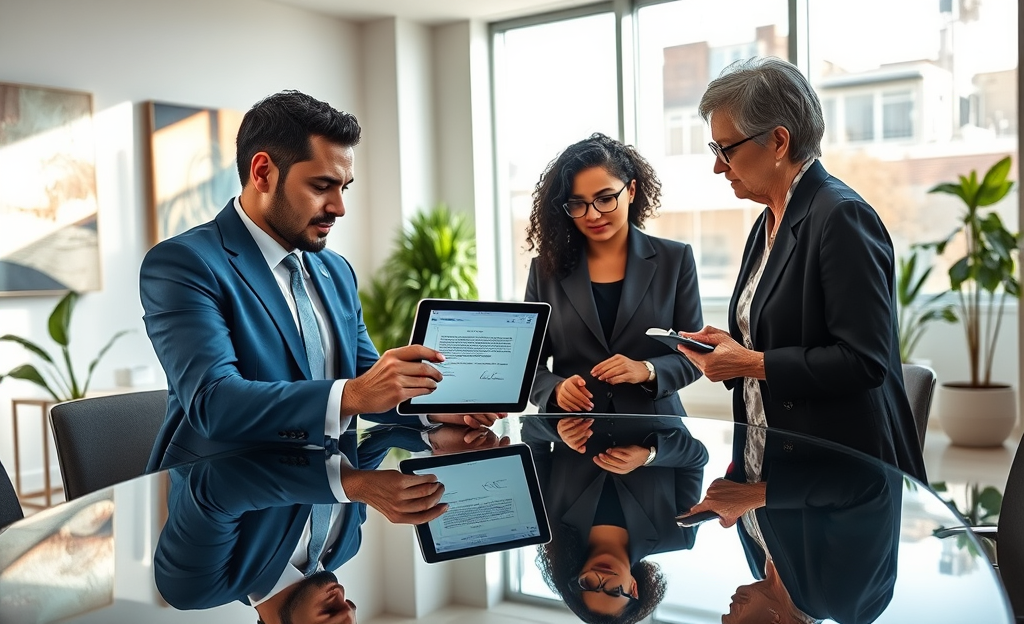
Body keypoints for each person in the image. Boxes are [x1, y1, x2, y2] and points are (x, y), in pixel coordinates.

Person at [139, 90, 500, 476]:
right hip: (230, 501)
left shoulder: (335, 271)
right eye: (321, 186)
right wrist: (356, 393)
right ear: (263, 173)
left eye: (344, 187)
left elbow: (370, 385)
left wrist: (436, 411)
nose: (339, 207)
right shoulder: (184, 264)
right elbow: (216, 403)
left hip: (333, 501)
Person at [675, 57, 926, 482]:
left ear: (778, 141)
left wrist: (750, 363)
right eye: (715, 150)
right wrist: (730, 348)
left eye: (727, 149)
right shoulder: (769, 218)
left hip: (842, 480)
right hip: (775, 467)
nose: (718, 165)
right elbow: (784, 333)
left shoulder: (841, 217)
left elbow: (864, 362)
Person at [524, 133, 703, 416]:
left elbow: (694, 357)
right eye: (578, 204)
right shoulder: (545, 270)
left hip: (657, 437)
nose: (592, 215)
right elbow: (528, 364)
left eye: (605, 199)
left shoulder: (676, 259)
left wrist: (646, 370)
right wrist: (555, 389)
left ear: (631, 191)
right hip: (572, 436)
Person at [522, 415, 709, 624]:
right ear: (634, 588)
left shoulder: (548, 522)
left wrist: (559, 430)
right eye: (613, 591)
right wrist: (650, 456)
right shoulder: (677, 535)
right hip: (652, 395)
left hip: (579, 392)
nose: (602, 578)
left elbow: (532, 433)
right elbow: (696, 458)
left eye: (590, 585)